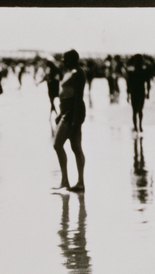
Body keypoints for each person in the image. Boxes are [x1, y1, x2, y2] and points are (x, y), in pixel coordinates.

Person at [52, 49, 87, 192]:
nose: (62, 61)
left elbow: (78, 97)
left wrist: (75, 120)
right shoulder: (70, 72)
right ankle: (75, 182)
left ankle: (70, 181)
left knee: (58, 144)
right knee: (75, 147)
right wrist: (60, 113)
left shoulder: (77, 73)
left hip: (72, 113)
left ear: (72, 59)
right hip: (66, 112)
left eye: (64, 58)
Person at [126, 54, 151, 133]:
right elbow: (148, 82)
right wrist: (148, 92)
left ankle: (135, 127)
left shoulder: (131, 72)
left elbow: (128, 85)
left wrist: (128, 95)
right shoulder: (144, 71)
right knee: (140, 110)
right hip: (141, 92)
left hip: (134, 92)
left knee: (134, 111)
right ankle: (140, 126)